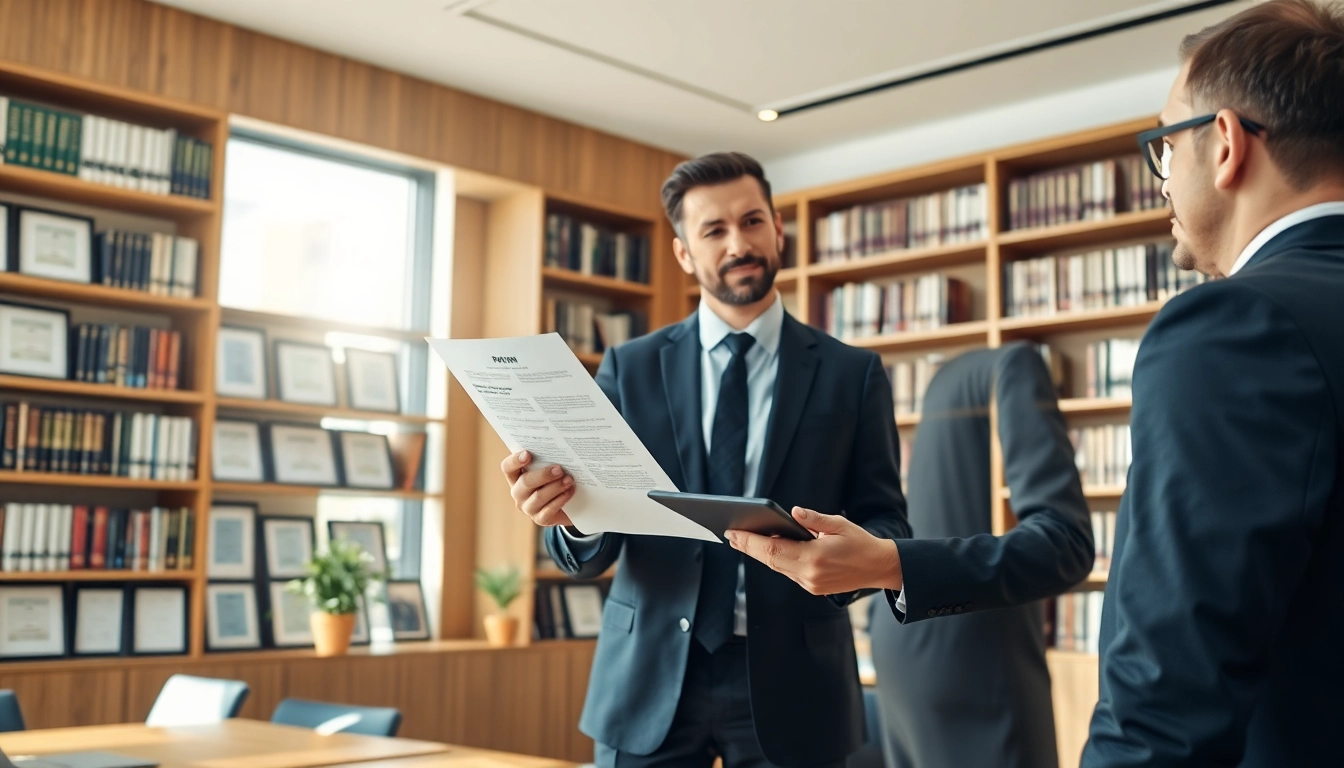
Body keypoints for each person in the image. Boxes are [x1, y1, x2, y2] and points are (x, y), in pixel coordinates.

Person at [500, 152, 910, 768]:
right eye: (714, 231)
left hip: (798, 685)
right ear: (685, 254)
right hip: (645, 679)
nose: (738, 243)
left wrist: (848, 564)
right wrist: (568, 512)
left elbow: (887, 525)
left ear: (777, 227)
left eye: (751, 222)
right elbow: (593, 538)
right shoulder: (629, 369)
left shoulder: (852, 375)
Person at [1081, 2, 1344, 765]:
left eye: (1164, 145)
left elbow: (1167, 696)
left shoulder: (1234, 327)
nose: (1162, 179)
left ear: (1224, 144)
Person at [867, 344, 1092, 768]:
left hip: (901, 639)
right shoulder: (1017, 364)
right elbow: (1067, 540)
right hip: (978, 657)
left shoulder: (944, 380)